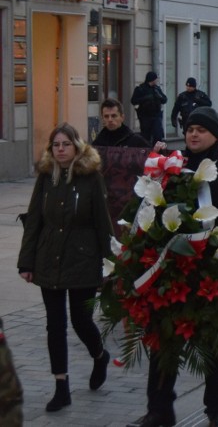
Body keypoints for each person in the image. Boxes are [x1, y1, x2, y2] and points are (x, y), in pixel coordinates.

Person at [130, 107, 218, 427]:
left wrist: (203, 241)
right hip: (170, 267)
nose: (193, 134)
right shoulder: (172, 166)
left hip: (211, 268)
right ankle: (159, 409)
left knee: (214, 343)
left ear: (215, 133)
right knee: (164, 340)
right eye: (189, 129)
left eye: (201, 129)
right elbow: (151, 208)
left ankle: (217, 411)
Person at [17, 123, 113, 412]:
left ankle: (99, 356)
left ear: (76, 147)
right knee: (54, 325)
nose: (60, 149)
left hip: (83, 258)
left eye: (65, 144)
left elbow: (102, 223)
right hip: (49, 258)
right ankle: (61, 386)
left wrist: (109, 263)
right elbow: (34, 219)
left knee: (81, 321)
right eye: (55, 145)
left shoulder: (91, 178)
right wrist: (26, 261)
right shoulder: (46, 178)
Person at [93, 98, 158, 148]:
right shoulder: (97, 144)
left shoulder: (135, 141)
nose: (110, 120)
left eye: (114, 116)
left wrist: (157, 150)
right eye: (106, 116)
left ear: (122, 117)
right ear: (102, 119)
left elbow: (152, 158)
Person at [131, 71, 168, 144]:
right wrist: (145, 98)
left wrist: (159, 96)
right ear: (152, 79)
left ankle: (157, 152)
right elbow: (133, 101)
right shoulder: (140, 88)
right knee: (146, 137)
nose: (156, 81)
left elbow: (164, 99)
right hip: (145, 117)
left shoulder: (157, 89)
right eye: (155, 79)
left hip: (156, 116)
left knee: (158, 135)